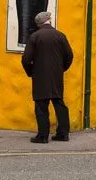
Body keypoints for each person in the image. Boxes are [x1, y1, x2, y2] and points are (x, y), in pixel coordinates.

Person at [21, 10, 74, 143]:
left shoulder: (35, 37)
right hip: (56, 75)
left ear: (38, 24)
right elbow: (69, 55)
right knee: (59, 103)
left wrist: (30, 72)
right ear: (49, 20)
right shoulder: (60, 35)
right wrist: (62, 69)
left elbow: (26, 59)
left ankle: (43, 136)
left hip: (39, 76)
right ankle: (63, 133)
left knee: (41, 105)